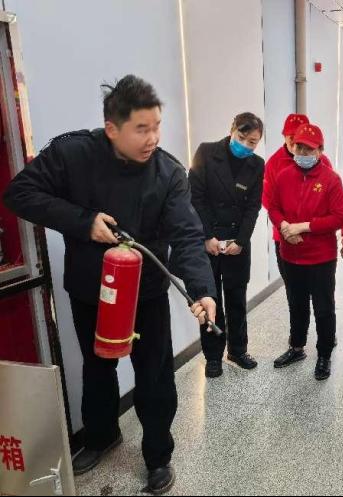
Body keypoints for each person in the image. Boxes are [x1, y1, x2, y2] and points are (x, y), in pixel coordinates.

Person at [3, 75, 217, 495]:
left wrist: (202, 289)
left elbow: (187, 236)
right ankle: (102, 436)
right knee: (97, 368)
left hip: (146, 294)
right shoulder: (72, 154)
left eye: (157, 126)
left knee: (154, 377)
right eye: (142, 128)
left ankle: (158, 456)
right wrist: (84, 222)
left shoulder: (168, 173)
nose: (153, 138)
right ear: (112, 128)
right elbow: (19, 194)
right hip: (92, 290)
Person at [188, 113, 265, 378]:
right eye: (242, 137)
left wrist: (241, 241)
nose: (245, 145)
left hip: (236, 243)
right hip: (208, 241)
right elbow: (195, 197)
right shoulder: (206, 153)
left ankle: (238, 350)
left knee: (236, 300)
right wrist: (207, 236)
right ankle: (213, 356)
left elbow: (253, 207)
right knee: (210, 300)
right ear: (232, 129)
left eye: (252, 142)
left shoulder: (257, 165)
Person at [268, 124, 343, 380]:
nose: (303, 153)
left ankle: (324, 354)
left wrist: (304, 227)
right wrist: (284, 226)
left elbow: (338, 217)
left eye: (309, 149)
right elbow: (273, 207)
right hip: (291, 255)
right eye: (299, 147)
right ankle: (297, 347)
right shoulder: (284, 176)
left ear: (320, 151)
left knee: (323, 307)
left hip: (321, 257)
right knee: (296, 303)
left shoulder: (331, 179)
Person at [262, 113, 310, 278]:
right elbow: (268, 200)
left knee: (316, 286)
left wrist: (309, 226)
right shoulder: (274, 163)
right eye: (291, 137)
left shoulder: (321, 160)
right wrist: (287, 228)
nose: (296, 142)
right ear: (284, 136)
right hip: (285, 235)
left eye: (300, 136)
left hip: (314, 236)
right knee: (291, 284)